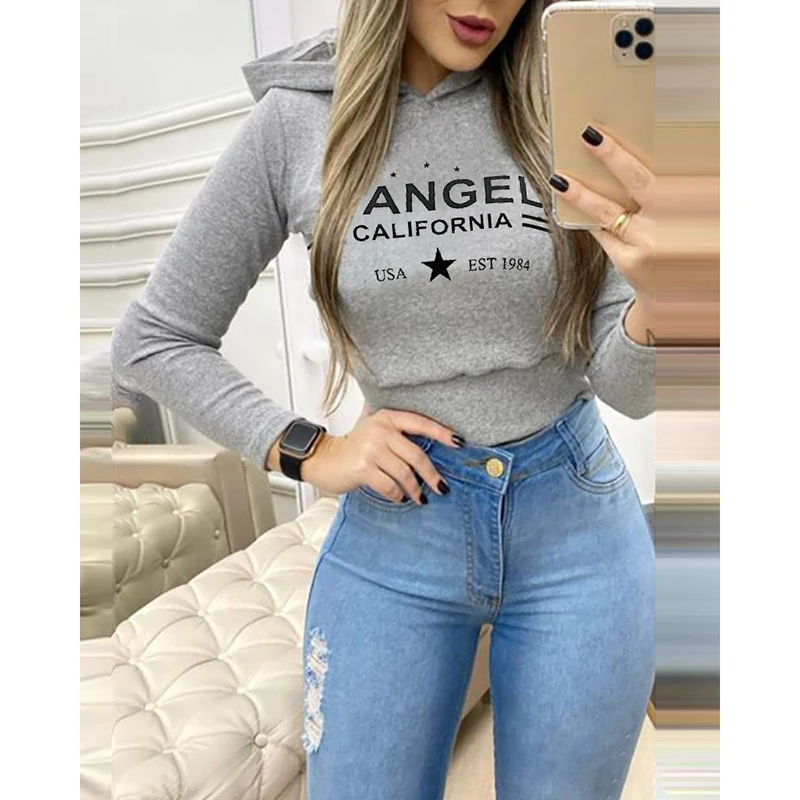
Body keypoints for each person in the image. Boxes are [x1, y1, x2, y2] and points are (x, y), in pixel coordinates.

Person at [110, 3, 660, 798]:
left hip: (576, 527)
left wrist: (664, 296)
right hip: (399, 529)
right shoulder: (297, 122)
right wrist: (311, 450)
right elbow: (155, 337)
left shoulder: (570, 107)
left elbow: (629, 390)